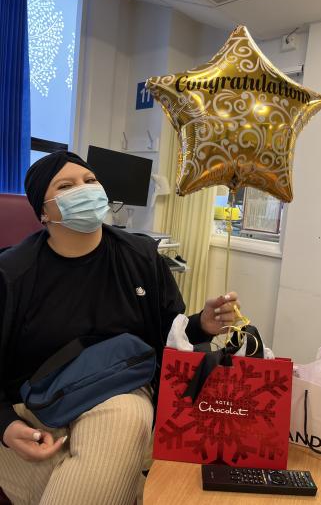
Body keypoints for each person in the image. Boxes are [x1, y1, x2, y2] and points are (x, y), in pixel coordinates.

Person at [0, 151, 240, 505]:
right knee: (108, 482)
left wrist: (200, 326)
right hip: (35, 409)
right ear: (43, 212)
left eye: (90, 180)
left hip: (119, 393)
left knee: (125, 416)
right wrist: (6, 426)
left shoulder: (141, 257)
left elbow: (169, 336)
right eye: (66, 185)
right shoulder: (12, 274)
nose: (85, 189)